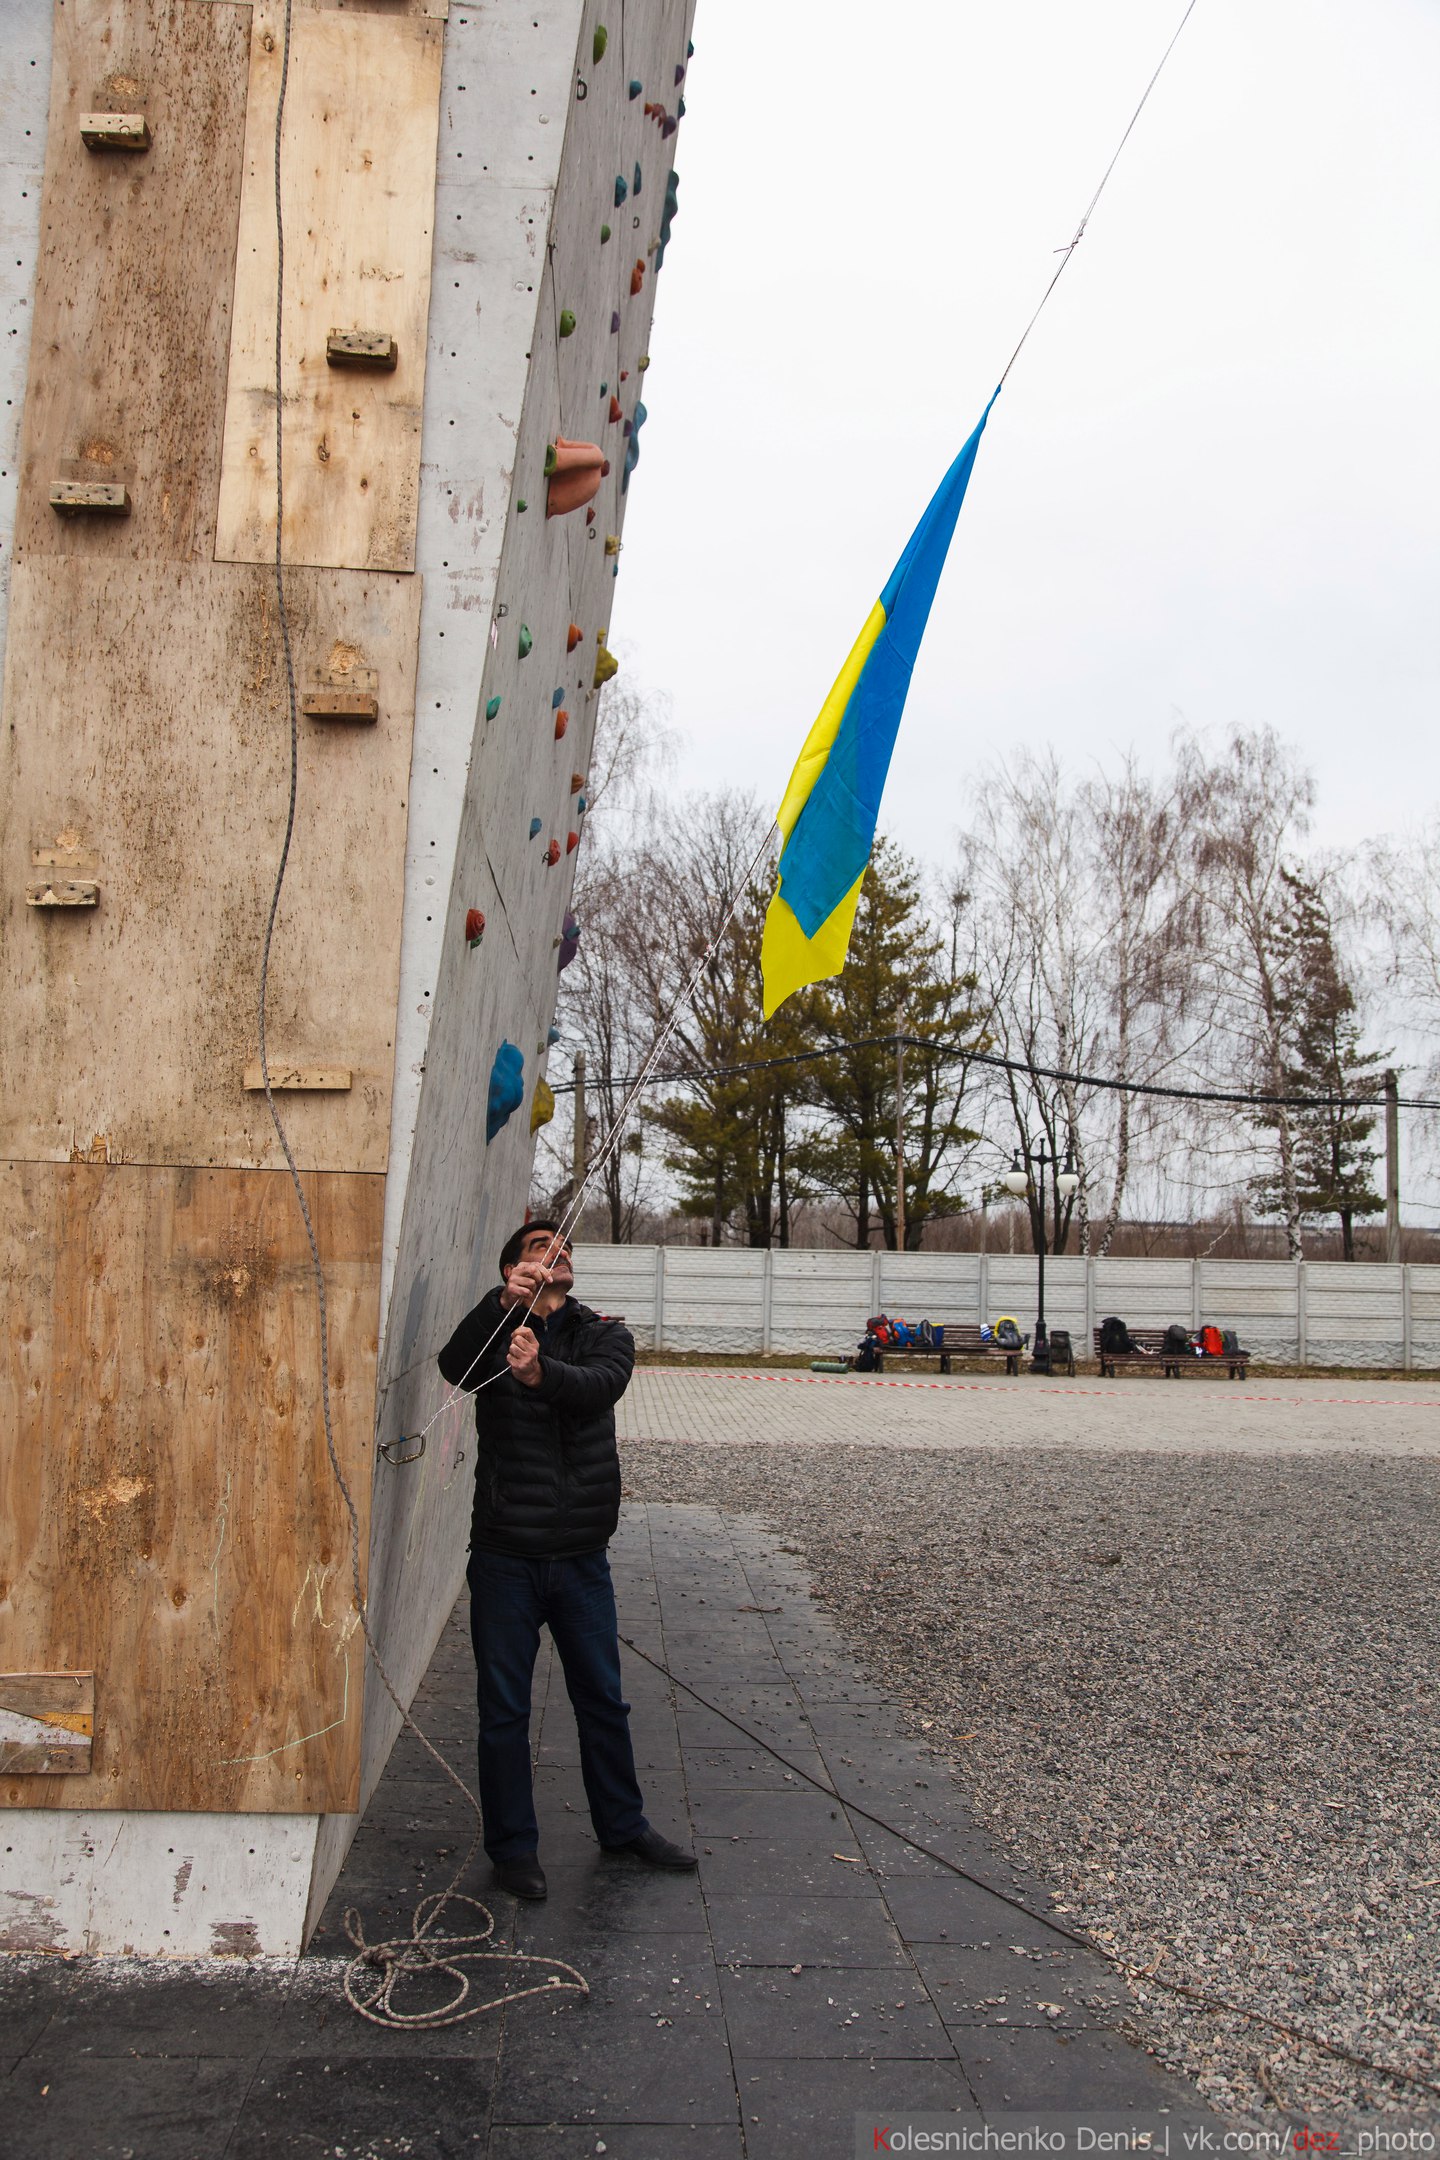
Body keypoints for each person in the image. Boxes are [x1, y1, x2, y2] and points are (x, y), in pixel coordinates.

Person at [438, 1219, 695, 1902]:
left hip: (581, 1559)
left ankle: (623, 1825)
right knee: (503, 1712)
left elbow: (598, 1386)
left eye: (563, 1247)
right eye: (535, 1248)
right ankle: (513, 1850)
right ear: (512, 1269)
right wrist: (500, 1311)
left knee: (603, 1702)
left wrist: (539, 1373)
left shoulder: (602, 1329)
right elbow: (453, 1369)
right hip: (504, 1559)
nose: (555, 1253)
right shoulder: (496, 1329)